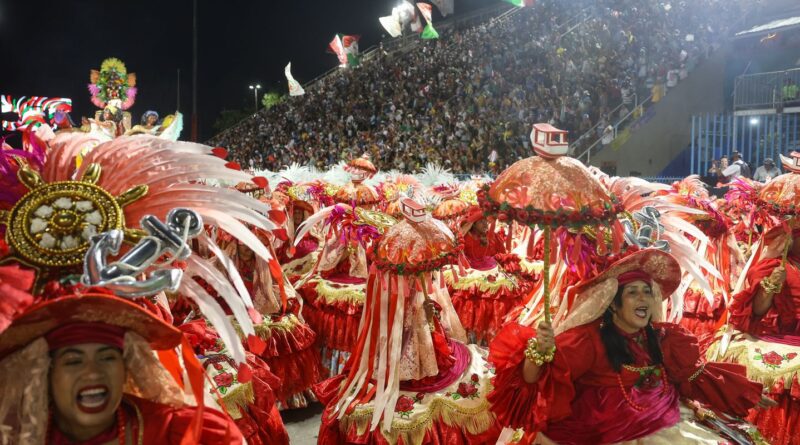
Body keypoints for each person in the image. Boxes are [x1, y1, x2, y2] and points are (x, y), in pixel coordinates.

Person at [487, 249, 772, 444]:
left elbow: (692, 376)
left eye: (647, 292)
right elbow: (534, 384)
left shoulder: (662, 338)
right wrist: (539, 352)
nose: (643, 299)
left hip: (666, 420)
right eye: (633, 293)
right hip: (606, 435)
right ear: (612, 304)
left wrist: (744, 392)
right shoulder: (586, 341)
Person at [0, 291, 245, 444]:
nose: (92, 372)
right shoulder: (17, 437)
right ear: (46, 373)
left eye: (107, 358)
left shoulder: (191, 435)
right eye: (73, 361)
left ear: (127, 367)